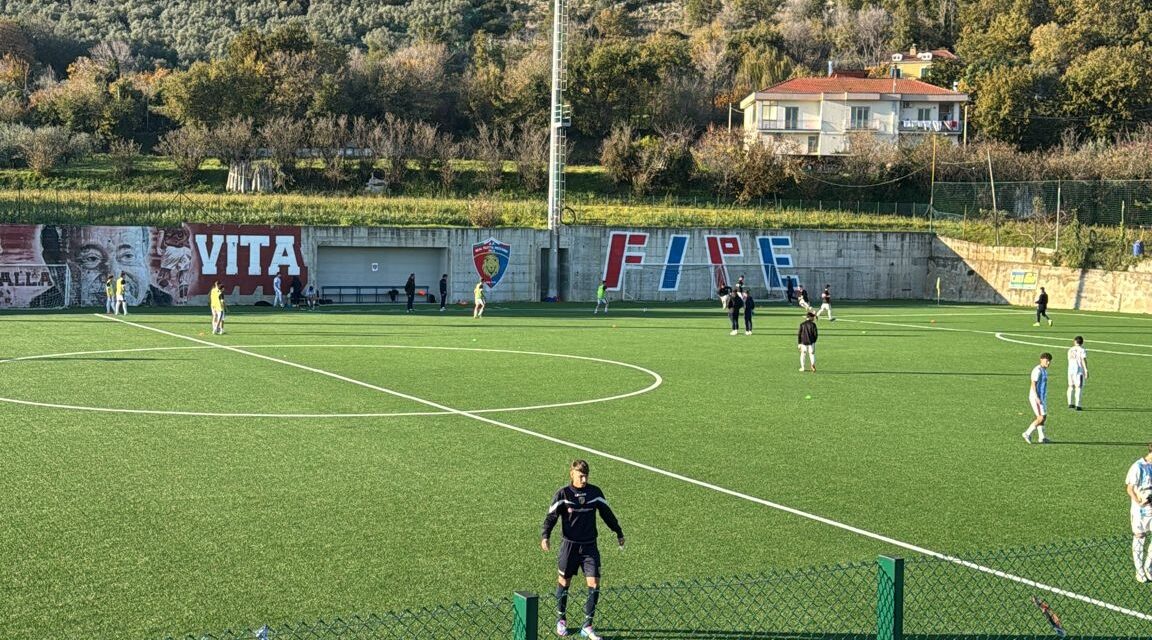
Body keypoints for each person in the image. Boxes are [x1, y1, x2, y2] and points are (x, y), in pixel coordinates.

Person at [541, 459, 624, 640]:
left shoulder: (594, 493)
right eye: (581, 476)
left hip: (589, 546)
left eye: (586, 476)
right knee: (564, 582)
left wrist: (618, 531)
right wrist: (545, 536)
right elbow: (551, 517)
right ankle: (561, 619)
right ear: (572, 474)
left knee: (594, 584)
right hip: (569, 546)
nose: (584, 480)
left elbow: (607, 513)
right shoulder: (563, 494)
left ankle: (587, 625)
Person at [1126, 444, 1152, 583]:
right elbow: (1129, 488)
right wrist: (1138, 501)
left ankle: (1148, 567)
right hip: (1140, 510)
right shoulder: (1138, 466)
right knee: (1140, 537)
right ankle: (1139, 571)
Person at [1022, 352, 1052, 444]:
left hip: (1041, 397)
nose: (1048, 363)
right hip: (1036, 397)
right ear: (1041, 360)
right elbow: (1033, 384)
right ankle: (1027, 433)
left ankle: (1042, 437)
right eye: (1046, 361)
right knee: (1041, 417)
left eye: (1049, 361)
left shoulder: (1044, 370)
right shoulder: (1037, 370)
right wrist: (1037, 397)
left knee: (1044, 416)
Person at [1067, 336, 1088, 410]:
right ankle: (1078, 405)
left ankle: (1070, 403)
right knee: (1078, 387)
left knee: (1070, 386)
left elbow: (1069, 359)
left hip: (1070, 370)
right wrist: (1086, 370)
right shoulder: (1082, 350)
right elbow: (1083, 360)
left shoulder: (1070, 349)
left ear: (1075, 341)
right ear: (1082, 342)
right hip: (1078, 371)